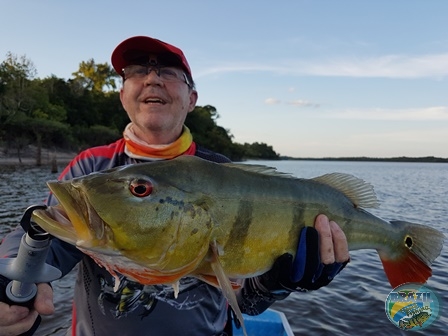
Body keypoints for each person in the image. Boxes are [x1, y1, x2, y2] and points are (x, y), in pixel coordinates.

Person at [0, 36, 350, 336]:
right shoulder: (92, 170)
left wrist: (277, 283)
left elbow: (247, 302)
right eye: (137, 70)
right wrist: (14, 279)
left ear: (192, 98)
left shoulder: (224, 174)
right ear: (123, 96)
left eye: (168, 71)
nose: (152, 79)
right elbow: (45, 238)